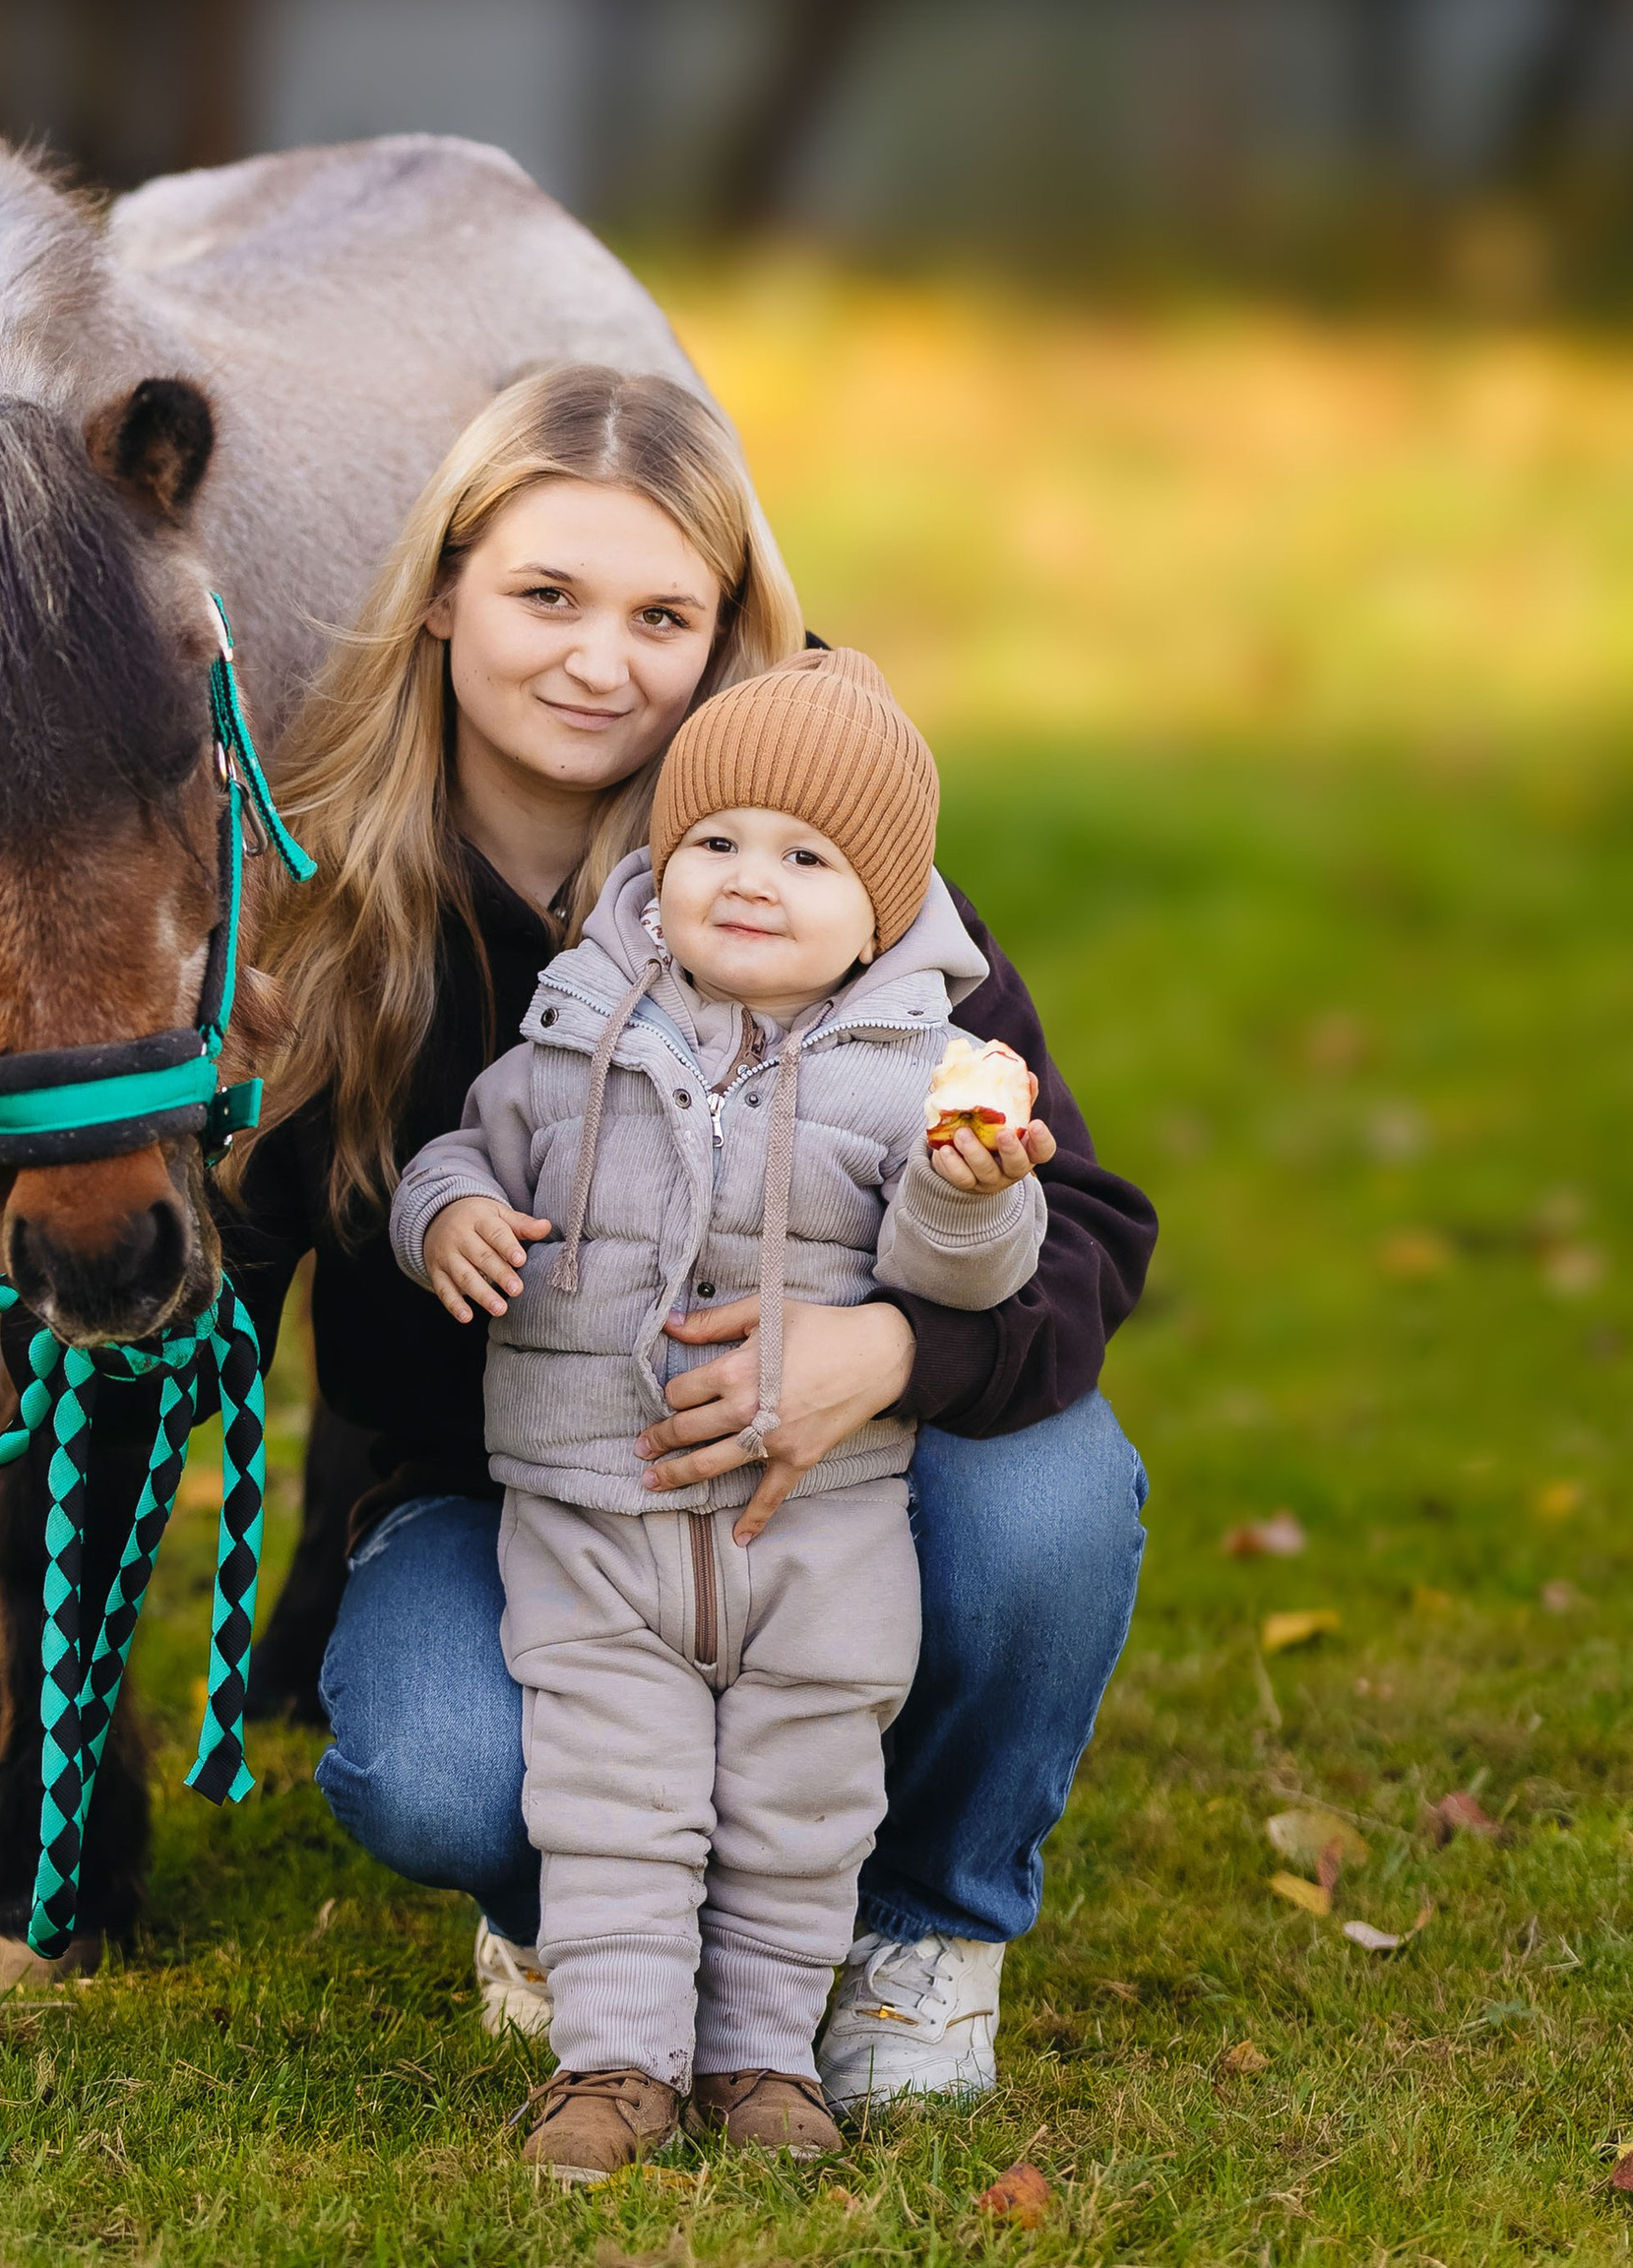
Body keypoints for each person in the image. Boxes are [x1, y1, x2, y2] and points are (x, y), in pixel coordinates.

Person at [222, 363, 1156, 2107]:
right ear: (441, 592)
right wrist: (201, 1138)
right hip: (515, 1493)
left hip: (828, 1487)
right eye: (545, 595)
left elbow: (1087, 1217)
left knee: (1045, 1494)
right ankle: (588, 1909)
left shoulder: (820, 859)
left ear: (728, 625)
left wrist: (895, 1345)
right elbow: (218, 1256)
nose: (600, 659)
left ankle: (913, 1928)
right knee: (432, 1763)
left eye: (662, 611)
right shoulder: (326, 892)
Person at [391, 646, 1047, 2177]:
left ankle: (761, 2054)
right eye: (716, 842)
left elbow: (977, 1277)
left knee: (797, 1801)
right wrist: (449, 1221)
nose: (754, 878)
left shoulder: (927, 1074)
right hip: (595, 1511)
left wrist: (964, 1198)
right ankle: (613, 2064)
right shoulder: (574, 1029)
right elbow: (456, 1152)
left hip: (816, 1529)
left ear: (884, 906)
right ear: (659, 862)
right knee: (610, 1791)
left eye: (809, 857)